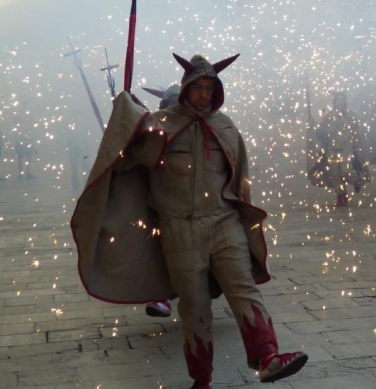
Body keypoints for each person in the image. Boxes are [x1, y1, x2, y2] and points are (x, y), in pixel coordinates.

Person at [71, 53, 307, 387]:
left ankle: (267, 357)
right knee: (195, 308)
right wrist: (124, 123)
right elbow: (124, 162)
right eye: (198, 87)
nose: (204, 95)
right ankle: (201, 379)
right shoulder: (160, 125)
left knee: (244, 291)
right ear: (185, 88)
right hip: (179, 230)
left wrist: (244, 223)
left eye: (210, 88)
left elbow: (240, 180)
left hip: (224, 224)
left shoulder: (226, 127)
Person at [140, 83, 182, 319]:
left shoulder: (203, 125)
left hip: (200, 203)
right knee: (162, 249)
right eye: (170, 104)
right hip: (163, 200)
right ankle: (161, 295)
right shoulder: (154, 125)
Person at [310, 91, 370, 207]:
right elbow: (321, 131)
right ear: (334, 102)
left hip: (347, 148)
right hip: (332, 148)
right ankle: (341, 195)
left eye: (342, 100)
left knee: (346, 171)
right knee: (335, 173)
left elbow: (357, 133)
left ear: (345, 102)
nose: (340, 103)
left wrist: (358, 148)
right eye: (338, 100)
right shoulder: (328, 116)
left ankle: (357, 182)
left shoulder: (351, 116)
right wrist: (312, 124)